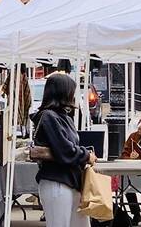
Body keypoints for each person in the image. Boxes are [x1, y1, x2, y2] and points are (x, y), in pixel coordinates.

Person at [31, 73, 96, 227]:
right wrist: (86, 155)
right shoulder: (49, 116)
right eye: (72, 91)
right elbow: (64, 150)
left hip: (71, 181)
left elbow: (67, 148)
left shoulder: (64, 117)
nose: (74, 95)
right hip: (57, 181)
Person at [0, 65, 32, 137]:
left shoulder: (15, 74)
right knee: (20, 115)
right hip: (18, 102)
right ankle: (22, 132)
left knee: (15, 116)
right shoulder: (22, 75)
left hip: (15, 101)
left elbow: (5, 88)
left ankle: (21, 132)